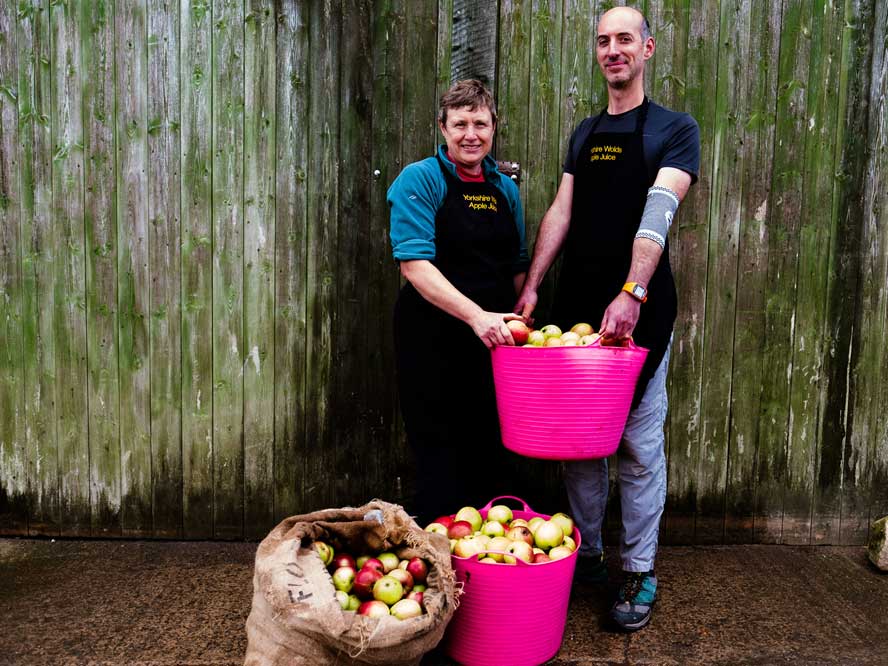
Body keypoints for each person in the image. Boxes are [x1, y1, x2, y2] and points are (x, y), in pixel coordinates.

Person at [515, 7, 700, 632]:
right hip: (574, 315)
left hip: (640, 310)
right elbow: (562, 211)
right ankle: (589, 557)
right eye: (603, 41)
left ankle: (639, 569)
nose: (613, 50)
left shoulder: (675, 130)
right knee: (581, 449)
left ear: (646, 48)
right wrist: (534, 285)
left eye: (625, 39)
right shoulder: (585, 131)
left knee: (639, 447)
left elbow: (659, 210)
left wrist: (632, 291)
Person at [388, 80, 530, 525]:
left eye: (480, 124)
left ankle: (490, 567)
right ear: (443, 128)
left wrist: (524, 318)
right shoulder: (420, 179)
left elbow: (517, 263)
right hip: (431, 339)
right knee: (439, 454)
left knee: (492, 450)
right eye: (460, 124)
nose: (471, 134)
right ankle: (440, 568)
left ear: (493, 128)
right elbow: (414, 264)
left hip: (494, 343)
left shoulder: (505, 189)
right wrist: (476, 316)